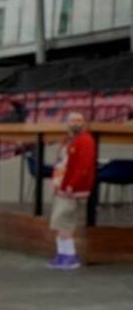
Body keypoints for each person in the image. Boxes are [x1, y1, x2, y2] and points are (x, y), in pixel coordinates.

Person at [48, 112, 97, 270]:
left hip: (72, 189)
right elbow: (60, 163)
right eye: (72, 120)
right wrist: (55, 181)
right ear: (67, 123)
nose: (76, 123)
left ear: (83, 123)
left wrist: (72, 185)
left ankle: (70, 256)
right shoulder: (67, 140)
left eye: (79, 120)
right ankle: (62, 254)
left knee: (65, 222)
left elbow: (83, 166)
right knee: (59, 221)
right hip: (61, 186)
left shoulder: (86, 140)